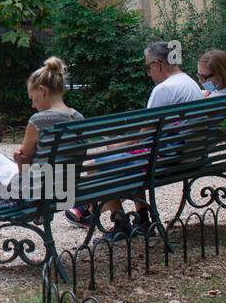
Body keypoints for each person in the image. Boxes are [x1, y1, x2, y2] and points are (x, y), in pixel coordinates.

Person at [68, 40, 204, 239]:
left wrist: (116, 144)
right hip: (181, 156)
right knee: (122, 156)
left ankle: (118, 223)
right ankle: (141, 219)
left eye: (148, 67)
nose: (148, 73)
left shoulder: (164, 89)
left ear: (158, 64)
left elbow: (145, 134)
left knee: (96, 164)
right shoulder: (188, 82)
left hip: (163, 161)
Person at [0, 57, 83, 207]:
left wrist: (19, 159)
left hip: (39, 192)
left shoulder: (38, 121)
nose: (32, 105)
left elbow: (25, 167)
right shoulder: (77, 117)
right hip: (68, 188)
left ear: (42, 90)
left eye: (32, 99)